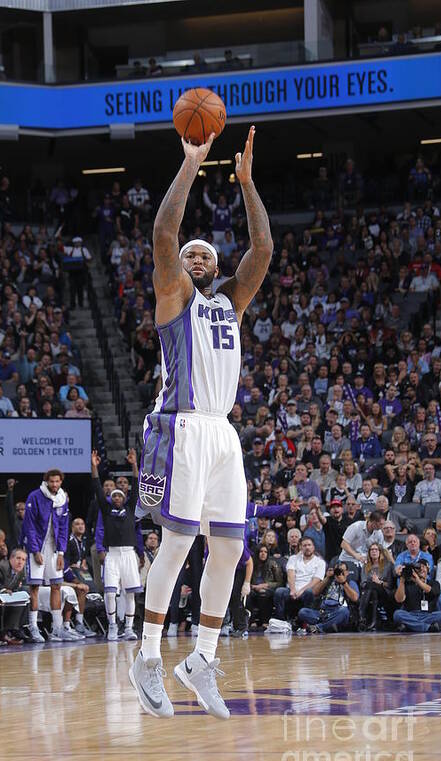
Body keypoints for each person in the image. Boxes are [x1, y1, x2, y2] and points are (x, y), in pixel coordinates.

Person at [131, 126, 273, 720]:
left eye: (205, 254)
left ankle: (202, 660)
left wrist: (245, 184)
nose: (196, 257)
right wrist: (191, 165)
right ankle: (146, 656)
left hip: (222, 434)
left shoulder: (230, 302)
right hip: (179, 427)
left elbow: (262, 250)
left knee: (230, 549)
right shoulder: (174, 298)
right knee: (179, 541)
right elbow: (165, 232)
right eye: (190, 255)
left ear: (216, 267)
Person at [92, 449, 143, 641]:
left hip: (129, 554)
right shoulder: (106, 510)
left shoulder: (130, 508)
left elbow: (137, 485)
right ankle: (112, 626)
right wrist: (94, 467)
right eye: (113, 496)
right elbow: (97, 487)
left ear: (124, 497)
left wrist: (134, 464)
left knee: (130, 594)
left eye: (119, 496)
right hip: (112, 554)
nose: (116, 498)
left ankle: (129, 628)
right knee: (111, 592)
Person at [20, 468, 70, 643]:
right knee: (34, 587)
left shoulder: (62, 499)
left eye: (57, 481)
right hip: (37, 545)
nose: (54, 484)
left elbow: (64, 527)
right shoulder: (35, 496)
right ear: (46, 481)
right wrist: (35, 550)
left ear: (61, 482)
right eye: (52, 481)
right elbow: (29, 525)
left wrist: (61, 552)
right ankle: (33, 627)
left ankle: (57, 628)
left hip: (54, 547)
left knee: (56, 586)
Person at [273, 537, 326, 622]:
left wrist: (301, 590)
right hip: (292, 589)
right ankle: (281, 621)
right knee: (279, 592)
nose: (307, 547)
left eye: (309, 545)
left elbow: (316, 580)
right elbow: (290, 575)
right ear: (301, 547)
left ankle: (304, 621)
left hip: (307, 590)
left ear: (313, 547)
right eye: (304, 545)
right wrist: (293, 590)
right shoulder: (293, 558)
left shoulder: (320, 562)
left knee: (309, 592)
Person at [297, 561, 359, 634]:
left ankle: (319, 627)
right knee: (303, 612)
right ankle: (329, 625)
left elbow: (355, 598)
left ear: (347, 572)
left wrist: (344, 583)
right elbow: (315, 592)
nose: (339, 573)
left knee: (344, 611)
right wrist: (327, 577)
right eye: (337, 571)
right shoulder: (329, 581)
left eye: (342, 571)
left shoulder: (350, 582)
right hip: (323, 613)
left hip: (338, 611)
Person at [393, 560, 441, 632]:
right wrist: (402, 581)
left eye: (423, 567)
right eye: (419, 567)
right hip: (411, 614)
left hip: (428, 615)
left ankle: (411, 626)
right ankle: (428, 628)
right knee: (397, 614)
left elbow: (432, 591)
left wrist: (418, 581)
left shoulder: (434, 583)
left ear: (428, 570)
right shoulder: (408, 583)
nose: (421, 569)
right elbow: (399, 599)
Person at [358, 543, 395, 630]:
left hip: (384, 591)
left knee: (373, 586)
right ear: (369, 553)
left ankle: (361, 617)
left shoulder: (388, 565)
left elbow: (389, 585)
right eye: (372, 550)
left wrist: (379, 582)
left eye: (376, 549)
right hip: (369, 592)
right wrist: (372, 582)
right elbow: (363, 583)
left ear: (380, 552)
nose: (374, 551)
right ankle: (373, 623)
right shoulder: (365, 566)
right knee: (372, 589)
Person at [247, 544, 283, 629]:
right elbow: (247, 580)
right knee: (248, 595)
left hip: (268, 589)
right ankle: (252, 622)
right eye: (261, 551)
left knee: (263, 594)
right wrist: (254, 587)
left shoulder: (272, 564)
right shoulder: (252, 564)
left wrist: (265, 585)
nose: (263, 554)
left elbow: (280, 582)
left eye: (265, 552)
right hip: (253, 588)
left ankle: (265, 621)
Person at [62, 236, 92, 309]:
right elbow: (61, 248)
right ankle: (72, 305)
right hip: (72, 272)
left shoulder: (84, 250)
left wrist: (83, 261)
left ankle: (81, 304)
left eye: (79, 242)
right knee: (72, 289)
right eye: (76, 243)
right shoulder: (70, 249)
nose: (77, 244)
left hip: (81, 272)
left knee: (80, 288)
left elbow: (89, 258)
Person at [5, 479, 26, 553]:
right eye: (17, 510)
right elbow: (9, 506)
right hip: (15, 551)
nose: (20, 511)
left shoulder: (31, 522)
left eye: (22, 509)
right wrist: (10, 491)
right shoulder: (14, 521)